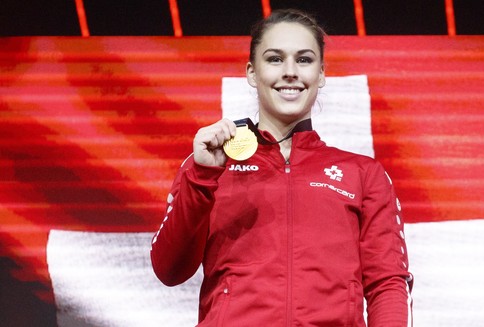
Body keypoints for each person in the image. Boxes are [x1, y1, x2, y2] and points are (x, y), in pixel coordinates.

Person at [151, 8, 413, 327]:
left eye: (304, 60)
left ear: (321, 73)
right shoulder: (208, 165)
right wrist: (202, 177)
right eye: (275, 59)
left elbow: (387, 284)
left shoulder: (363, 173)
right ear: (251, 72)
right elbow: (169, 270)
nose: (290, 71)